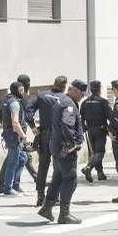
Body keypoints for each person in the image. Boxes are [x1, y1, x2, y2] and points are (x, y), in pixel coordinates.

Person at [38, 79, 86, 224]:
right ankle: (64, 214)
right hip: (65, 148)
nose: (82, 97)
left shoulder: (61, 101)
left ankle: (46, 208)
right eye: (82, 94)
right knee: (70, 179)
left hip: (56, 145)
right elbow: (66, 123)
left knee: (58, 178)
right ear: (75, 90)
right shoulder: (69, 104)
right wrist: (72, 143)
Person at [27, 76, 69, 206]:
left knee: (43, 166)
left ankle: (40, 196)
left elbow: (28, 110)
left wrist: (33, 127)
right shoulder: (64, 99)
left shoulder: (42, 96)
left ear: (54, 83)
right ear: (64, 86)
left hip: (44, 135)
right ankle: (54, 196)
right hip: (58, 136)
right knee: (58, 167)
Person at [1, 82, 30, 197]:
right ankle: (8, 189)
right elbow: (15, 123)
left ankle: (16, 185)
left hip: (11, 135)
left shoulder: (7, 100)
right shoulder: (14, 103)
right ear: (17, 91)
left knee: (23, 158)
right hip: (14, 136)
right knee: (12, 162)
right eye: (21, 90)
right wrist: (24, 136)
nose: (23, 92)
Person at [80, 80, 111, 183]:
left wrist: (83, 128)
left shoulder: (85, 102)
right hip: (100, 129)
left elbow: (81, 118)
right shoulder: (103, 102)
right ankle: (88, 167)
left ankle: (100, 173)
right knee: (100, 152)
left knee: (94, 153)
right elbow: (110, 116)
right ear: (99, 89)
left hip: (89, 130)